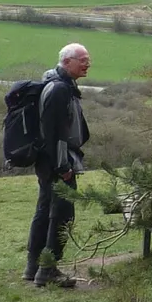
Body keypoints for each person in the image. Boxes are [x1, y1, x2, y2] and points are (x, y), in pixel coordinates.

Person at [27, 42, 91, 288]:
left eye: (88, 59)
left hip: (48, 161)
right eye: (82, 59)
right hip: (56, 162)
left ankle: (33, 267)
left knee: (44, 211)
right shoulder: (60, 89)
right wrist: (63, 167)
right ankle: (47, 270)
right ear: (67, 62)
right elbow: (55, 134)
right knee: (62, 214)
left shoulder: (58, 85)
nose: (87, 63)